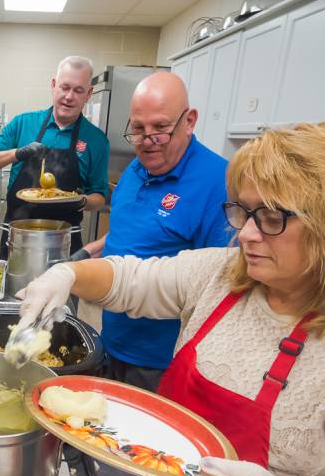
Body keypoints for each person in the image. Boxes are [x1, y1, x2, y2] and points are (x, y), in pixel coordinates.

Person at [14, 122, 325, 476]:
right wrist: (66, 276)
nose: (246, 235)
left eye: (272, 217)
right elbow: (128, 278)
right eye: (244, 211)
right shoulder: (221, 275)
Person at [82, 72, 231, 392]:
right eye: (138, 129)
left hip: (161, 363)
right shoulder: (137, 168)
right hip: (112, 341)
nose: (147, 141)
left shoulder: (218, 182)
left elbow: (222, 284)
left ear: (189, 121)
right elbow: (133, 235)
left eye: (160, 128)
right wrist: (86, 254)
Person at [0, 55, 109, 254]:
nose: (69, 96)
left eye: (78, 90)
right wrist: (17, 153)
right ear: (53, 85)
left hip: (65, 243)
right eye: (65, 87)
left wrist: (81, 200)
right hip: (18, 239)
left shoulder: (97, 140)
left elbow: (99, 197)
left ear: (88, 94)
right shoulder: (23, 123)